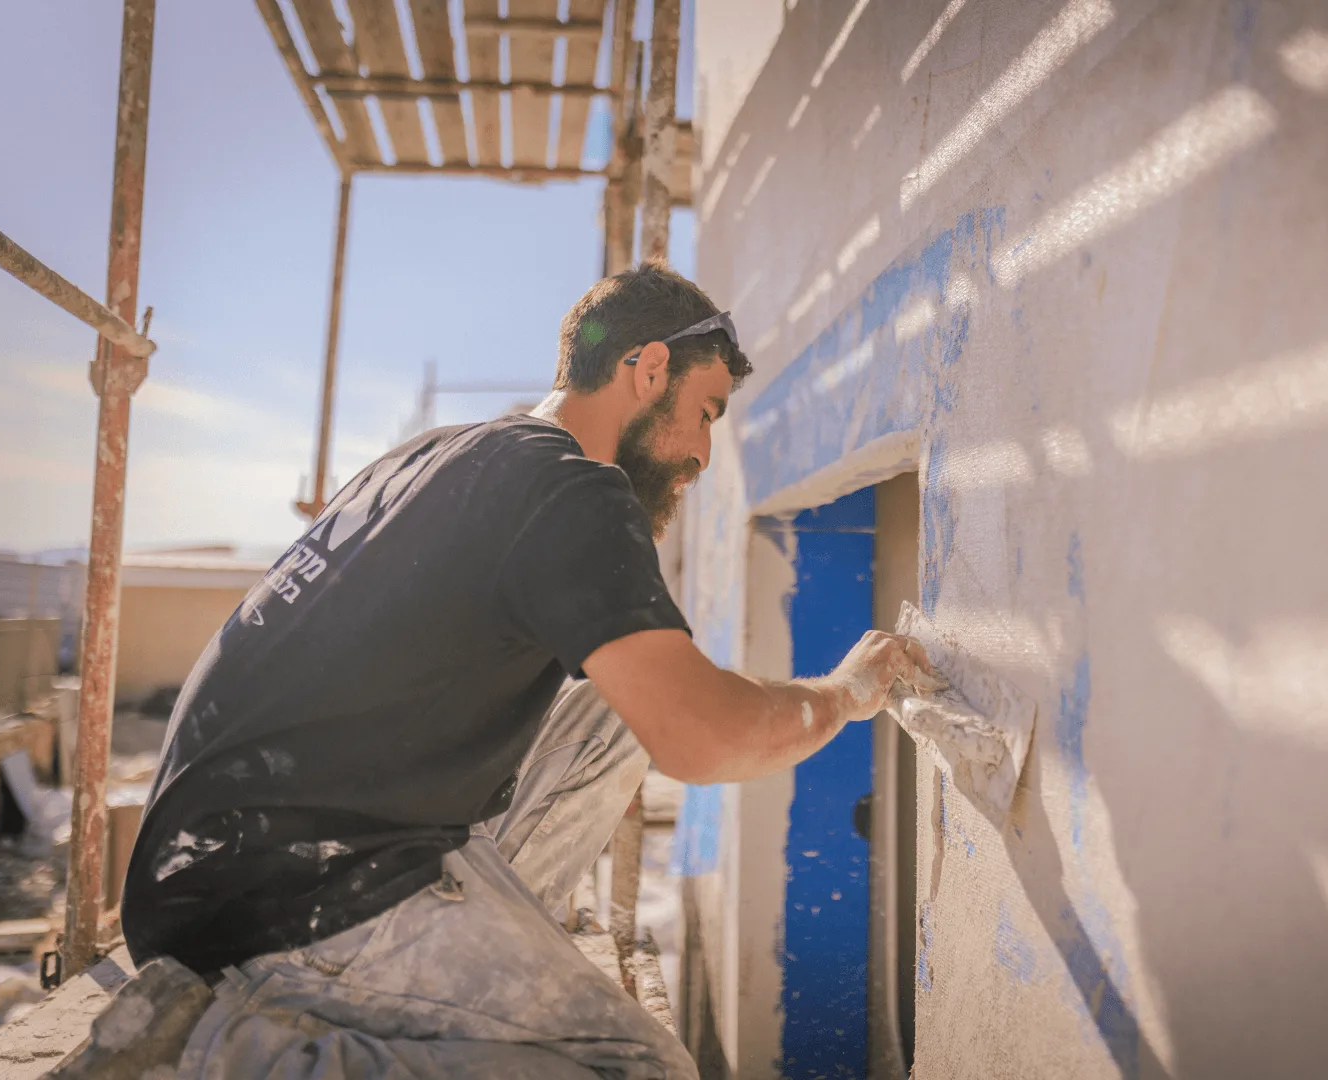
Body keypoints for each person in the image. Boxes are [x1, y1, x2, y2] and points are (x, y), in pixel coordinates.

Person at [119, 263, 941, 1078]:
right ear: (648, 369)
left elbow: (671, 700)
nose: (700, 455)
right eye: (704, 413)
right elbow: (701, 739)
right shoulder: (571, 489)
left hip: (214, 867)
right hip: (286, 898)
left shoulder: (437, 456)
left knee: (619, 709)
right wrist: (843, 695)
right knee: (638, 1067)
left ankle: (467, 975)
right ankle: (214, 1053)